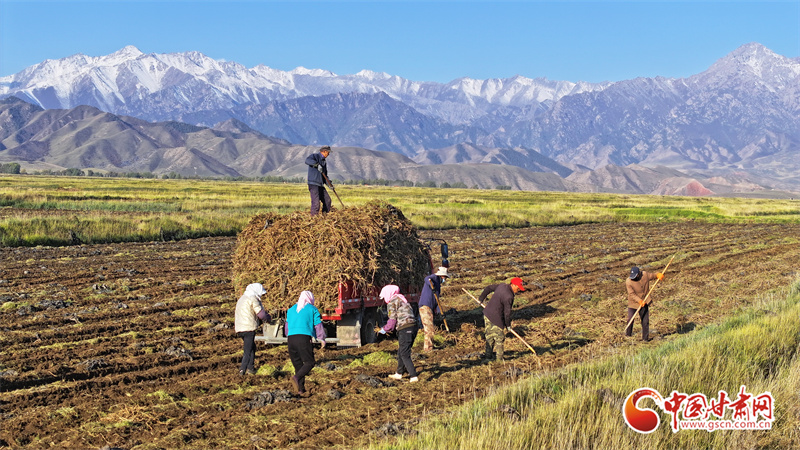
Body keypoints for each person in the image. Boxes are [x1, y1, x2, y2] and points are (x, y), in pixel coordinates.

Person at [285, 290, 326, 394]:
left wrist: (289, 336)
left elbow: (287, 327)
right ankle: (296, 377)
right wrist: (321, 338)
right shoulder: (312, 309)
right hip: (303, 338)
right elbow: (318, 325)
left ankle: (300, 390)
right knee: (309, 362)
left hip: (291, 339)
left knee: (298, 365)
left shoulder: (291, 310)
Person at [377, 285, 419, 382]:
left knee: (405, 354)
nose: (384, 299)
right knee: (401, 351)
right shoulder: (402, 299)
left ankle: (413, 376)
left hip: (405, 328)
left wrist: (384, 329)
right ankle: (399, 373)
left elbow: (392, 321)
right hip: (413, 327)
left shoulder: (392, 302)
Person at [478, 277, 525, 361]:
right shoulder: (509, 296)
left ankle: (488, 357)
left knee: (489, 336)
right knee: (499, 338)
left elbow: (488, 288)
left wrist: (481, 298)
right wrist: (508, 325)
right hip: (496, 317)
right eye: (518, 288)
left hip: (487, 314)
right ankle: (499, 360)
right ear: (513, 285)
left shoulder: (502, 286)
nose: (518, 290)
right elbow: (507, 313)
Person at [234, 283, 271, 375]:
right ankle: (242, 369)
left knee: (252, 347)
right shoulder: (252, 299)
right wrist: (268, 318)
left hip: (239, 328)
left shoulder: (242, 299)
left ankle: (251, 368)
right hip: (249, 328)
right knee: (247, 350)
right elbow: (261, 314)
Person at [625, 266, 665, 341]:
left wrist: (658, 275)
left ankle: (645, 339)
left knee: (645, 321)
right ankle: (628, 335)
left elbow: (653, 275)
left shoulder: (645, 275)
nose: (633, 278)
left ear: (638, 274)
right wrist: (639, 301)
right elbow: (631, 294)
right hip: (633, 303)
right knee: (630, 319)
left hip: (645, 301)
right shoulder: (628, 281)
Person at [418, 266, 449, 351]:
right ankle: (428, 348)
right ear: (441, 275)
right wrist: (431, 285)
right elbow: (427, 279)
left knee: (430, 328)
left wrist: (440, 312)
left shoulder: (438, 285)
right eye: (445, 277)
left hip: (430, 307)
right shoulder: (434, 278)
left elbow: (436, 301)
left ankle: (429, 346)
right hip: (425, 306)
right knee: (429, 329)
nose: (445, 279)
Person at [305, 145, 333, 216]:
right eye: (328, 152)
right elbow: (307, 160)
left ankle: (325, 217)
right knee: (316, 204)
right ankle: (313, 219)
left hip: (320, 184)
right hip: (313, 184)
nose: (328, 154)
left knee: (327, 201)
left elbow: (325, 176)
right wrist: (316, 164)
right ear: (324, 151)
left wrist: (329, 184)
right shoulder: (315, 156)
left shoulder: (324, 162)